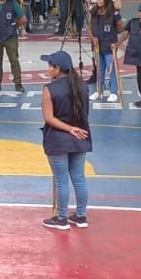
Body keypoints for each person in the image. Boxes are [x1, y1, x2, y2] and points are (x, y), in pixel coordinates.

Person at [39, 50, 91, 230]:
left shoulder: (50, 89)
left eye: (50, 66)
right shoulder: (82, 86)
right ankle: (81, 215)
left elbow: (49, 118)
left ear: (57, 68)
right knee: (79, 177)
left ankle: (61, 218)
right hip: (80, 137)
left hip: (59, 139)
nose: (48, 70)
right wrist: (75, 129)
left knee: (61, 180)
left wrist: (69, 129)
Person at [88, 0, 122, 102]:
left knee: (111, 68)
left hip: (109, 45)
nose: (99, 0)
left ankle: (113, 92)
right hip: (97, 45)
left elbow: (121, 28)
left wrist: (115, 42)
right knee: (100, 69)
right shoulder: (93, 12)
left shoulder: (114, 13)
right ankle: (99, 91)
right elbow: (89, 27)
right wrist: (93, 39)